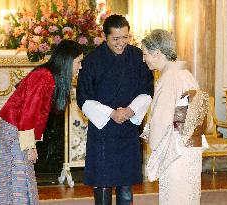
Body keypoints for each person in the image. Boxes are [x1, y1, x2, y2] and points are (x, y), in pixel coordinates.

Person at [0, 40, 83, 205]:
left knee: (12, 181)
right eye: (78, 62)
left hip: (16, 131)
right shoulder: (44, 76)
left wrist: (31, 143)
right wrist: (29, 146)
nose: (80, 67)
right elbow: (28, 112)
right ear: (67, 61)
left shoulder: (48, 77)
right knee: (18, 183)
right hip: (16, 133)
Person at [76, 14, 154, 205]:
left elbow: (147, 90)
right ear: (104, 36)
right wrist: (111, 113)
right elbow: (83, 98)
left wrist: (129, 111)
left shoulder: (138, 57)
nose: (121, 43)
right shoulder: (92, 60)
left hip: (128, 128)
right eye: (115, 39)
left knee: (126, 180)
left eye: (125, 37)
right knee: (102, 180)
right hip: (102, 131)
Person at [140, 29, 209, 205]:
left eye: (145, 54)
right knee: (188, 196)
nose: (144, 59)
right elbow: (199, 116)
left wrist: (152, 142)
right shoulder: (186, 74)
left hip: (175, 151)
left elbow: (162, 121)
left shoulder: (170, 78)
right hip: (191, 147)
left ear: (157, 53)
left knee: (175, 198)